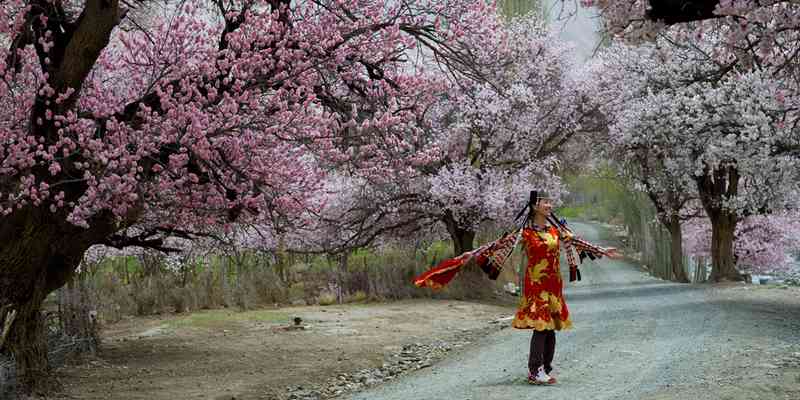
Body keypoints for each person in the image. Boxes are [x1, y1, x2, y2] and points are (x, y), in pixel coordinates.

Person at [512, 193, 620, 385]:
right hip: (536, 284)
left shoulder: (555, 230)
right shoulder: (525, 233)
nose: (549, 205)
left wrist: (601, 251)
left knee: (551, 327)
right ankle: (535, 370)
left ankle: (545, 368)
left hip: (554, 284)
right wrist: (474, 254)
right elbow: (503, 244)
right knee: (541, 326)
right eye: (544, 201)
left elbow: (576, 241)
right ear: (535, 206)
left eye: (549, 202)